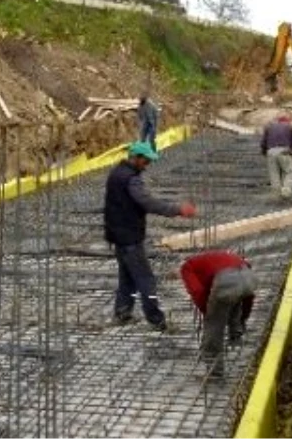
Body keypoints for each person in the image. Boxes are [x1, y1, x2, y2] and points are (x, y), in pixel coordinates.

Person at [104, 141, 197, 331]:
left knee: (127, 278)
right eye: (145, 162)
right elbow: (148, 202)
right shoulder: (131, 179)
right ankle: (156, 320)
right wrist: (178, 209)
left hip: (117, 235)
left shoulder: (116, 173)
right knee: (146, 280)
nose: (146, 166)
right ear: (136, 158)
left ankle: (122, 312)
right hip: (129, 236)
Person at [180, 250, 256, 378]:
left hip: (226, 280)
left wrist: (208, 313)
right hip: (248, 275)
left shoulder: (187, 267)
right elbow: (247, 298)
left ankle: (215, 372)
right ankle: (236, 338)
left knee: (213, 328)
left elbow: (197, 291)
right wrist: (243, 318)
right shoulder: (221, 257)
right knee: (233, 298)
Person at [260, 114, 292, 199]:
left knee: (274, 174)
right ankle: (286, 191)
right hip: (284, 151)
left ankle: (276, 193)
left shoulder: (269, 127)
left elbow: (263, 143)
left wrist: (265, 153)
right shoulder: (290, 127)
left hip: (270, 152)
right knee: (290, 172)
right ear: (287, 122)